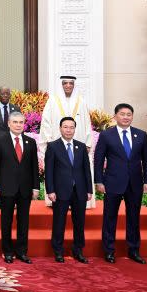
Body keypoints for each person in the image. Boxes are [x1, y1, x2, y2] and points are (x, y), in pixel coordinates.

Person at [95, 103, 147, 264]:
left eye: (129, 114)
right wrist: (99, 180)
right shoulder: (107, 135)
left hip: (135, 183)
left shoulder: (141, 135)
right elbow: (98, 160)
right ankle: (109, 251)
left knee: (134, 218)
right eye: (122, 114)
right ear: (115, 116)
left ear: (132, 117)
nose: (126, 117)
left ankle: (134, 250)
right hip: (112, 182)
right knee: (110, 217)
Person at [39, 76, 96, 209]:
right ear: (61, 85)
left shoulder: (81, 101)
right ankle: (55, 197)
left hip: (78, 145)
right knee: (57, 171)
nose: (68, 86)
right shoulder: (52, 101)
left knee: (80, 170)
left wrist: (87, 142)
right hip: (56, 146)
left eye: (71, 83)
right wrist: (48, 141)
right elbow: (46, 122)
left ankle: (82, 199)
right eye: (65, 83)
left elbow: (87, 123)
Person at [0, 111, 39, 264]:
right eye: (15, 122)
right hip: (6, 188)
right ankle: (7, 251)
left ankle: (22, 252)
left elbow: (34, 167)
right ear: (9, 124)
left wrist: (36, 187)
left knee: (24, 222)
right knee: (6, 221)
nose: (18, 125)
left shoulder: (30, 142)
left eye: (20, 122)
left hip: (25, 188)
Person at [44, 117, 92, 263]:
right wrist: (50, 190)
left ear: (74, 129)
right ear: (60, 128)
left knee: (79, 223)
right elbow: (49, 171)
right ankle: (58, 251)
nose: (69, 130)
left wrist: (89, 189)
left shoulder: (81, 146)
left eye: (71, 127)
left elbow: (86, 170)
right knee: (59, 222)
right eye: (65, 127)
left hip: (80, 191)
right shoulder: (53, 146)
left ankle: (78, 250)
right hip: (60, 191)